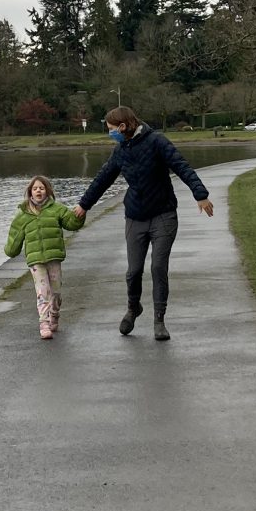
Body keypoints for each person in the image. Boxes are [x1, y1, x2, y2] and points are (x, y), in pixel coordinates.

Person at [70, 106, 213, 341]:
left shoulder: (156, 141)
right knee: (133, 271)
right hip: (135, 216)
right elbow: (103, 178)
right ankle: (133, 308)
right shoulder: (120, 151)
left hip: (163, 214)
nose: (110, 134)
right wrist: (84, 204)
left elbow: (182, 166)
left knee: (158, 267)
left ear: (123, 127)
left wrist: (200, 194)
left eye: (112, 129)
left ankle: (159, 320)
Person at [5, 173, 84, 340]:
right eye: (35, 188)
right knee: (43, 292)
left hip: (53, 257)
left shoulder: (57, 209)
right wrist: (11, 249)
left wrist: (80, 215)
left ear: (47, 191)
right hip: (36, 261)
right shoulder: (23, 214)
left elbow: (71, 223)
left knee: (55, 292)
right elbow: (15, 235)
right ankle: (44, 323)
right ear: (30, 192)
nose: (38, 191)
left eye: (41, 188)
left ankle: (54, 315)